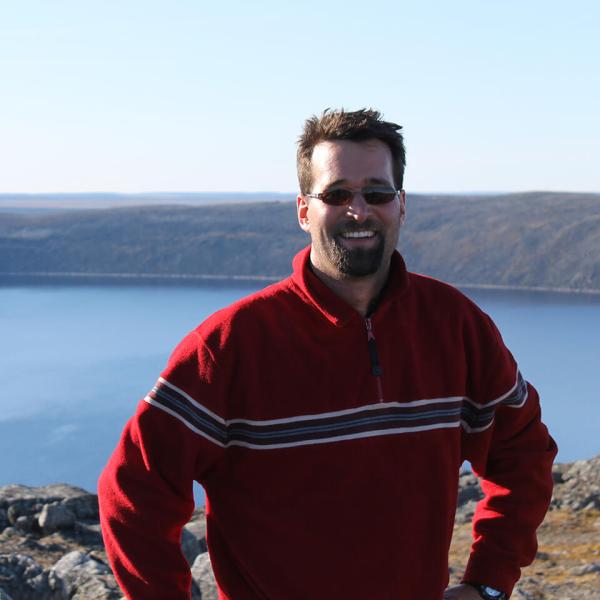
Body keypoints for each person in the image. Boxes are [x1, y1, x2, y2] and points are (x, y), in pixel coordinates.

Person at [98, 108, 557, 599]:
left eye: (376, 193)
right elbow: (133, 491)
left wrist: (489, 582)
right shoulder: (232, 345)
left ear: (401, 205)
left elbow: (523, 454)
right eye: (336, 194)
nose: (359, 211)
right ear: (303, 211)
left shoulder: (454, 324)